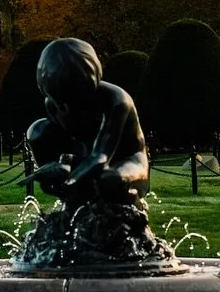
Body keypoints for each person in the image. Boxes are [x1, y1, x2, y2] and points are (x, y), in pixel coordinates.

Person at [26, 40, 149, 208]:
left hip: (126, 162)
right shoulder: (53, 104)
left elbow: (100, 158)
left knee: (110, 179)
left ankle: (126, 215)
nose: (67, 108)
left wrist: (69, 181)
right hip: (85, 159)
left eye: (74, 99)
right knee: (37, 131)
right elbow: (65, 145)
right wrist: (53, 171)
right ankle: (71, 211)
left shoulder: (116, 100)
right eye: (60, 102)